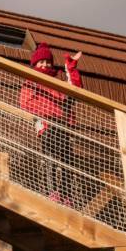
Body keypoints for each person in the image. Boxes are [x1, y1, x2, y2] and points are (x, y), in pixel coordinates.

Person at [19, 42, 83, 206]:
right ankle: (52, 192)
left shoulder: (57, 84)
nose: (46, 65)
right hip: (47, 125)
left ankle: (66, 196)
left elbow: (75, 92)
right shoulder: (32, 81)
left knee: (67, 161)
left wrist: (71, 67)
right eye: (42, 62)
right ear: (35, 63)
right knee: (50, 159)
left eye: (48, 62)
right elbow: (25, 103)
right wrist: (53, 112)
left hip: (62, 126)